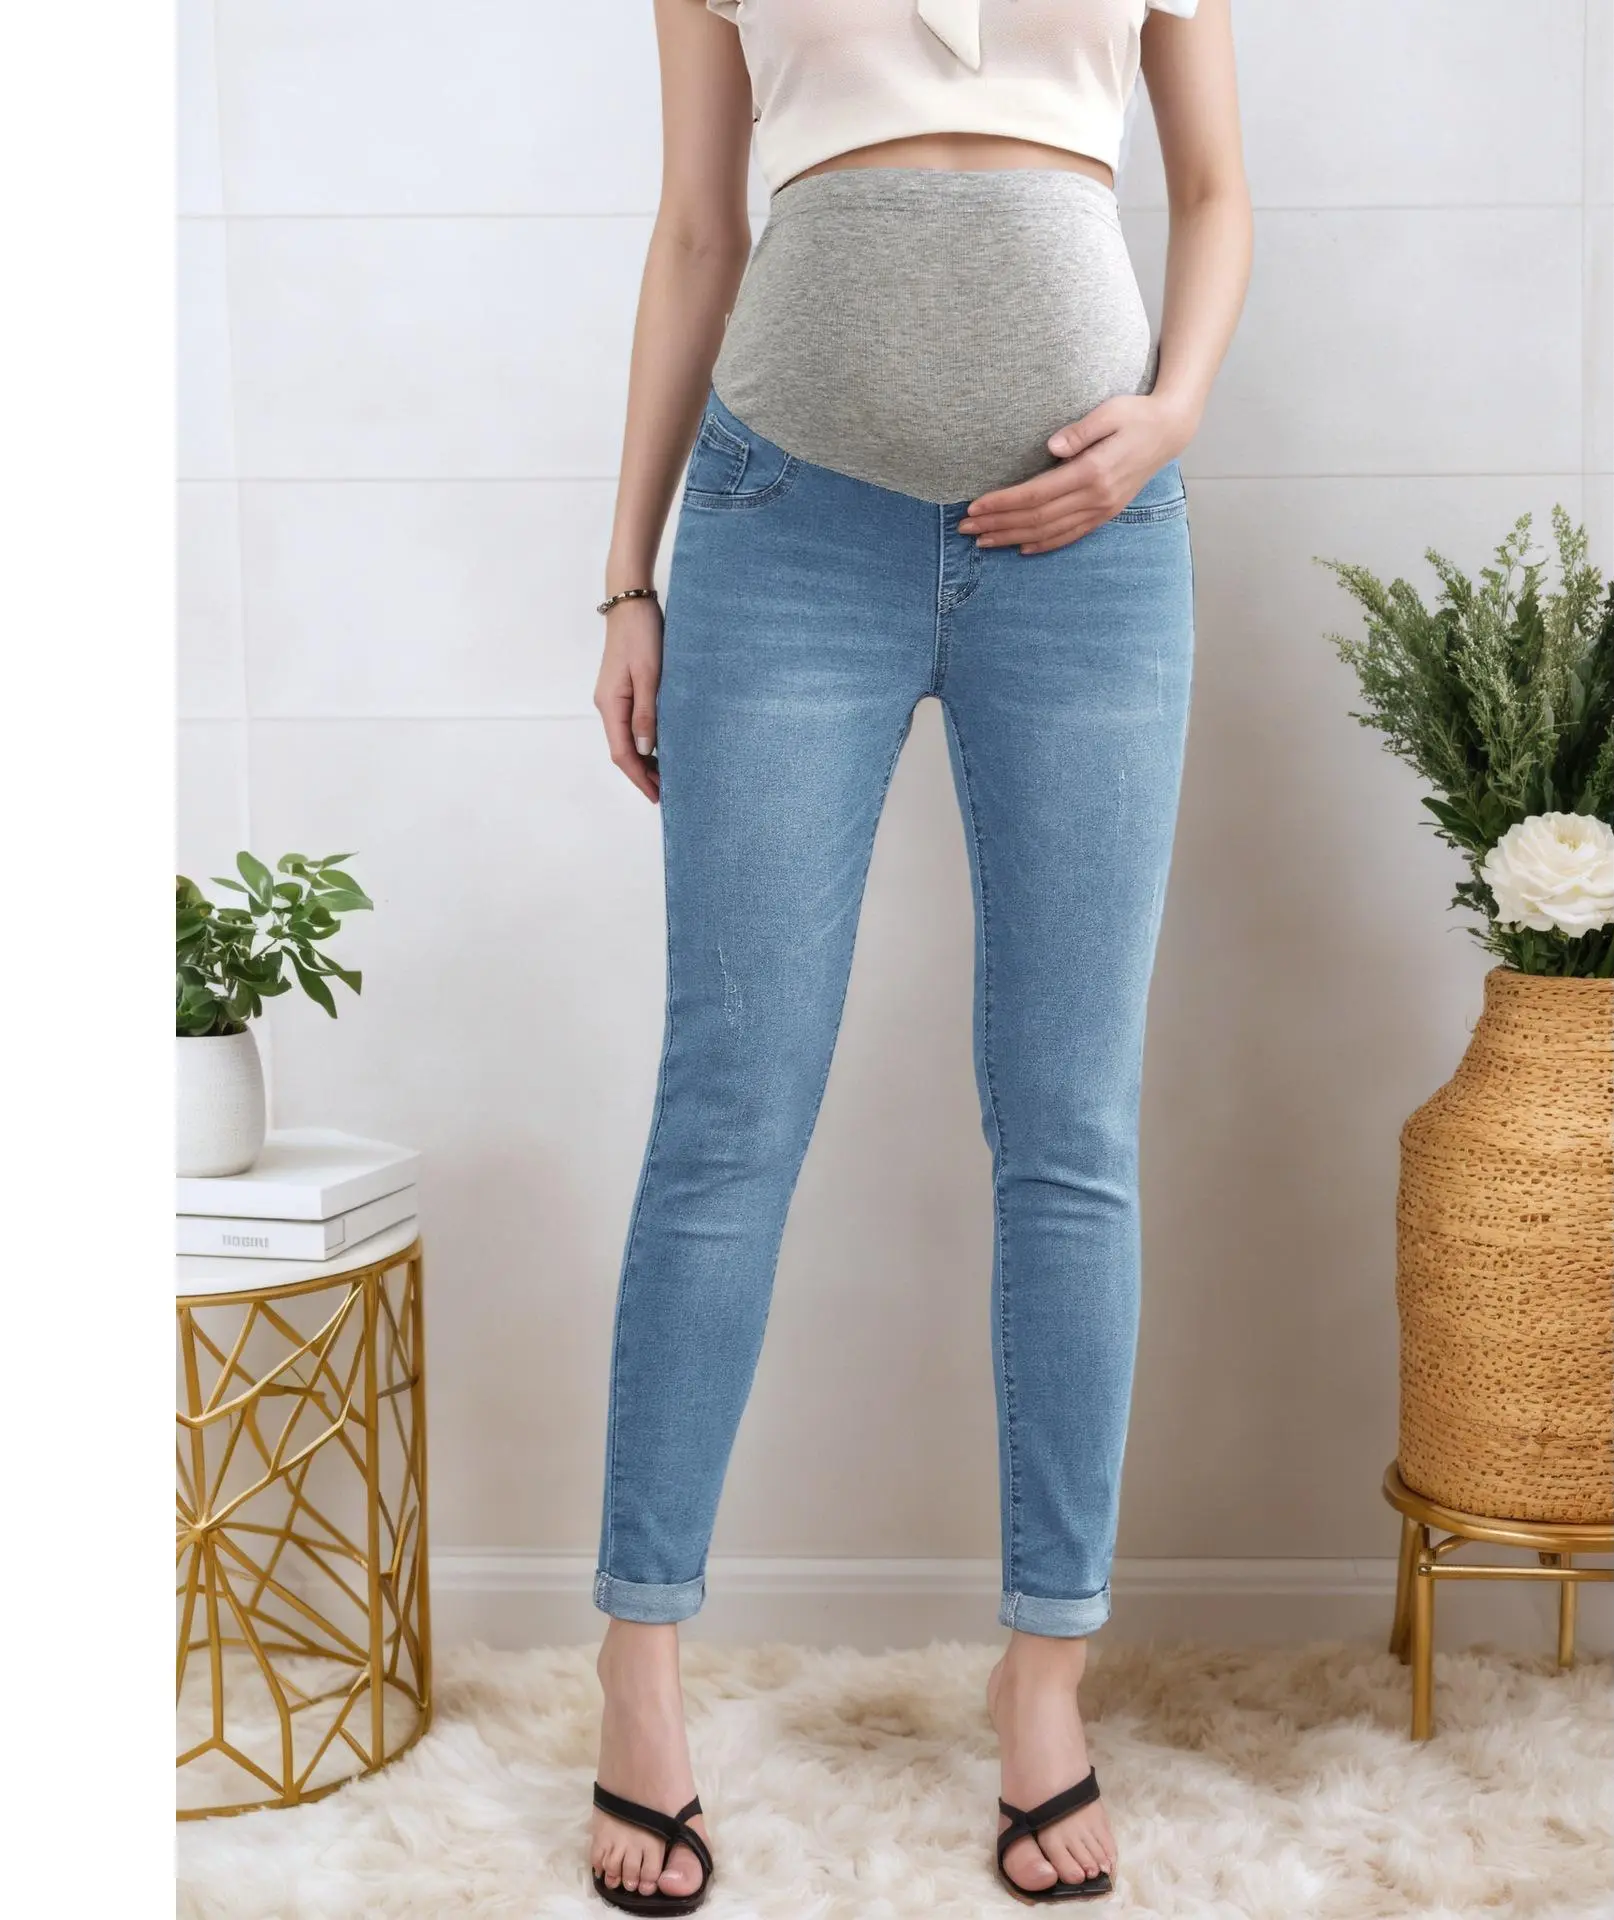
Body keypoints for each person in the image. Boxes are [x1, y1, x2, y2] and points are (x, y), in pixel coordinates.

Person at [587, 2, 1251, 1907]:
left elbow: (1214, 191)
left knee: (1071, 1128)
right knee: (729, 1113)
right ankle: (641, 1671)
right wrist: (628, 579)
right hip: (785, 527)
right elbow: (697, 227)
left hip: (1093, 540)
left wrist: (1174, 408)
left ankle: (1045, 1681)